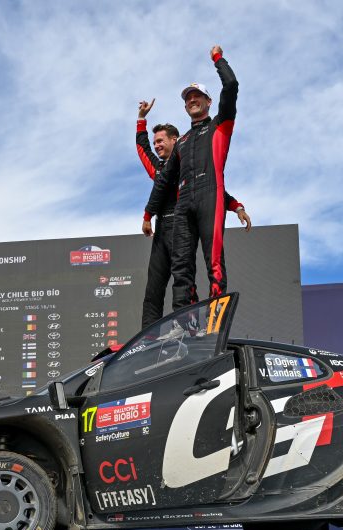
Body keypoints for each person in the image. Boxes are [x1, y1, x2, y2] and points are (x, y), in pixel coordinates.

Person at [137, 99, 250, 328]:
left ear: (175, 140)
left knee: (184, 277)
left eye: (161, 141)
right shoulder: (158, 169)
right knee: (153, 288)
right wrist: (141, 120)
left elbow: (212, 190)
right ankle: (148, 339)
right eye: (155, 142)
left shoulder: (187, 163)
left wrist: (236, 206)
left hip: (181, 226)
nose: (157, 145)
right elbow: (143, 150)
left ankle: (190, 327)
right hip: (162, 230)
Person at [145, 44, 239, 309]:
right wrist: (148, 213)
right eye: (188, 98)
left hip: (211, 194)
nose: (192, 100)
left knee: (214, 261)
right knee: (181, 266)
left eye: (197, 96)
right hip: (184, 203)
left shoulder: (220, 125)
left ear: (208, 101)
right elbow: (164, 181)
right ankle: (185, 322)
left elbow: (231, 85)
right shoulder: (182, 142)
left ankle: (215, 317)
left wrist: (218, 59)